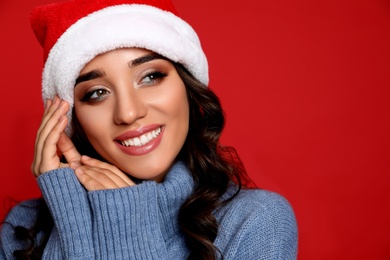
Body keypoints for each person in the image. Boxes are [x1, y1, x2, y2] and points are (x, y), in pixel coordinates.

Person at [0, 0, 298, 259]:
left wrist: (126, 222)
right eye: (97, 93)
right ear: (69, 119)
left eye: (151, 76)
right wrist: (71, 213)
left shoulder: (256, 220)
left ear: (188, 86)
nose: (128, 113)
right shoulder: (24, 227)